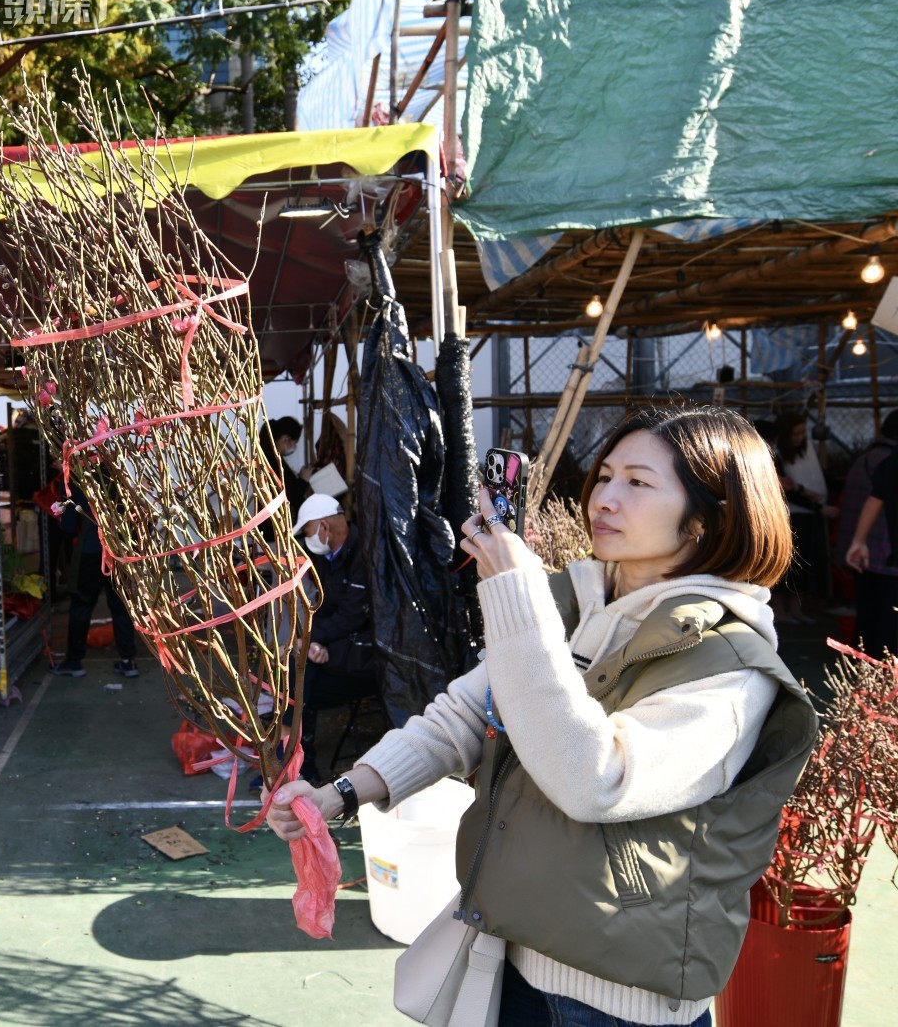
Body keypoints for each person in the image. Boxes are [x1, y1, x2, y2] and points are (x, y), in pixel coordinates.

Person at [266, 405, 817, 1026]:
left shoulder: (730, 664)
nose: (604, 497)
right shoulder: (574, 601)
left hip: (619, 1000)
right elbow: (467, 715)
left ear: (707, 517)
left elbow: (593, 778)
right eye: (605, 474)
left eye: (637, 482)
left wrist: (516, 599)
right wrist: (339, 794)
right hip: (516, 953)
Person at [290, 492, 378, 784]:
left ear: (324, 527)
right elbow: (327, 609)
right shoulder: (327, 557)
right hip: (337, 648)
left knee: (304, 683)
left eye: (308, 531)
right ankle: (298, 761)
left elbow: (356, 615)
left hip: (366, 655)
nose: (308, 539)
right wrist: (315, 642)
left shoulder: (363, 554)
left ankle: (301, 763)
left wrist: (317, 642)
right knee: (300, 673)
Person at [51, 477, 138, 678]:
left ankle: (74, 662)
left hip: (91, 550)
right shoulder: (121, 474)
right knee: (121, 605)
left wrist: (63, 517)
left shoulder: (75, 479)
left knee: (82, 604)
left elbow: (69, 527)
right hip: (120, 550)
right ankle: (129, 660)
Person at [836, 411, 898, 657]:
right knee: (887, 625)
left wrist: (857, 541)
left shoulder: (866, 459)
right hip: (885, 555)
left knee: (868, 617)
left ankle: (864, 674)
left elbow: (875, 499)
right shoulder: (886, 459)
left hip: (867, 554)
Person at [775, 412, 837, 623]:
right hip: (792, 516)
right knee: (789, 565)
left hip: (811, 514)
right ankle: (779, 610)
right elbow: (785, 490)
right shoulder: (777, 454)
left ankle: (796, 609)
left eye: (802, 433)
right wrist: (818, 507)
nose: (800, 437)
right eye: (795, 434)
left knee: (805, 565)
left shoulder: (806, 450)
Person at [260, 416, 313, 526]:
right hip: (276, 529)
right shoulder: (273, 463)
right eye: (294, 442)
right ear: (286, 439)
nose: (294, 446)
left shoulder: (270, 460)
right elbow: (290, 496)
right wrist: (303, 480)